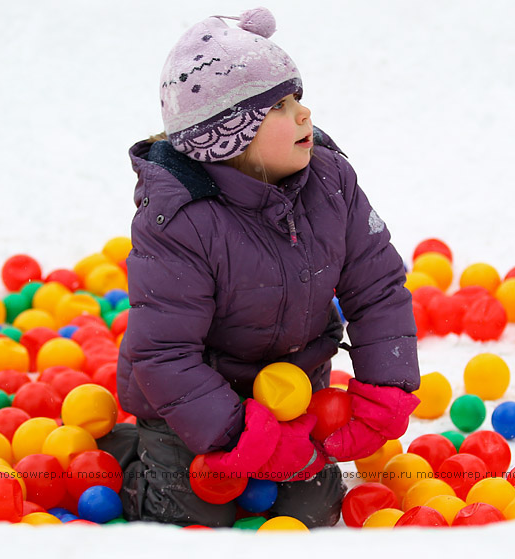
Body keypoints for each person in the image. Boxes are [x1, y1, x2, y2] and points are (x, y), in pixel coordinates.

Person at [109, 7, 421, 528]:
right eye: (277, 106)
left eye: (296, 97)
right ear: (229, 136)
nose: (303, 114)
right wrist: (239, 435)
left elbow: (379, 288)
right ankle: (127, 453)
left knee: (313, 514)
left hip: (293, 395)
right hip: (189, 409)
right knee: (193, 517)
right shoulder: (180, 219)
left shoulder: (331, 181)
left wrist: (386, 388)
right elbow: (163, 353)